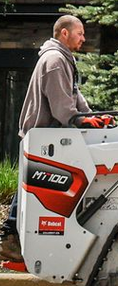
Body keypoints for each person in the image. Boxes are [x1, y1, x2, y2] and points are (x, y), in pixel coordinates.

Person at [1, 14, 105, 263]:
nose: (84, 38)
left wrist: (93, 118)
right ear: (65, 33)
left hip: (47, 134)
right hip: (43, 134)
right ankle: (9, 237)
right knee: (31, 186)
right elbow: (62, 107)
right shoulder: (56, 60)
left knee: (31, 185)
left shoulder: (64, 59)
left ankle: (11, 236)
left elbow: (75, 96)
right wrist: (78, 119)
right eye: (80, 33)